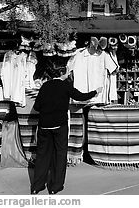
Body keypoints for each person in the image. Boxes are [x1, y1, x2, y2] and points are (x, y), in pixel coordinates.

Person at [30, 66, 102, 195]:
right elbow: (80, 96)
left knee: (42, 156)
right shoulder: (65, 86)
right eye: (67, 71)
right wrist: (95, 92)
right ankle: (54, 187)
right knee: (60, 155)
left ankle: (37, 186)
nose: (69, 73)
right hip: (59, 126)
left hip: (44, 126)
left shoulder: (45, 86)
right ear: (62, 73)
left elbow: (37, 107)